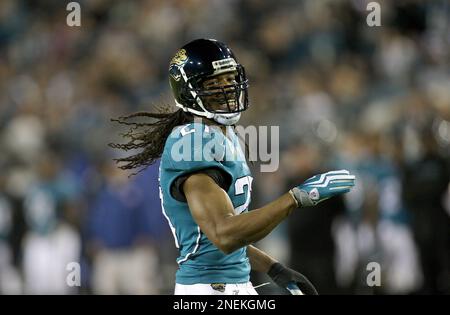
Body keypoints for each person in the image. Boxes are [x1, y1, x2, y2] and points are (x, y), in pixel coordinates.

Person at [110, 39, 355, 295]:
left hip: (234, 284)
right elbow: (223, 234)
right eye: (214, 84)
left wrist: (272, 267)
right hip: (209, 289)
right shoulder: (191, 143)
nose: (227, 89)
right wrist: (295, 198)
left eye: (229, 79)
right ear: (188, 92)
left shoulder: (224, 136)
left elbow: (214, 239)